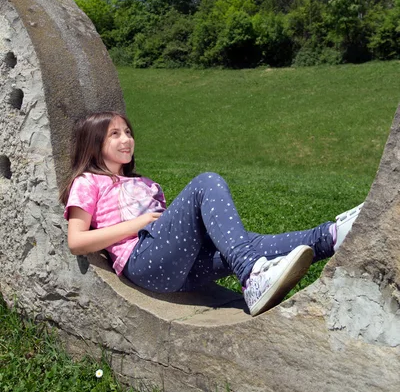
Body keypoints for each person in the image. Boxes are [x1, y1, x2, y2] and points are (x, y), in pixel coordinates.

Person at [61, 111, 363, 317]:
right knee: (206, 182)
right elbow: (77, 241)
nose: (126, 139)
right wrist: (138, 224)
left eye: (128, 132)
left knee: (243, 243)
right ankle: (251, 275)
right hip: (142, 262)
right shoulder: (89, 182)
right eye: (114, 134)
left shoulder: (144, 183)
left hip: (180, 269)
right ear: (94, 143)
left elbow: (176, 235)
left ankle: (333, 237)